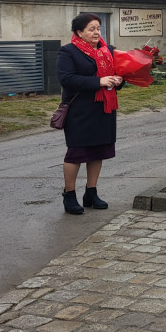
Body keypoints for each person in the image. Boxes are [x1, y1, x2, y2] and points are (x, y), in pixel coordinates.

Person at [56, 13, 124, 215]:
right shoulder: (68, 52)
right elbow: (67, 79)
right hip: (80, 111)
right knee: (76, 153)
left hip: (103, 108)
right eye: (91, 29)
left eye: (98, 28)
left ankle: (91, 193)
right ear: (79, 32)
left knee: (98, 151)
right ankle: (69, 195)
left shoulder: (108, 50)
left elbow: (118, 73)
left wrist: (118, 80)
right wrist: (99, 81)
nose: (96, 32)